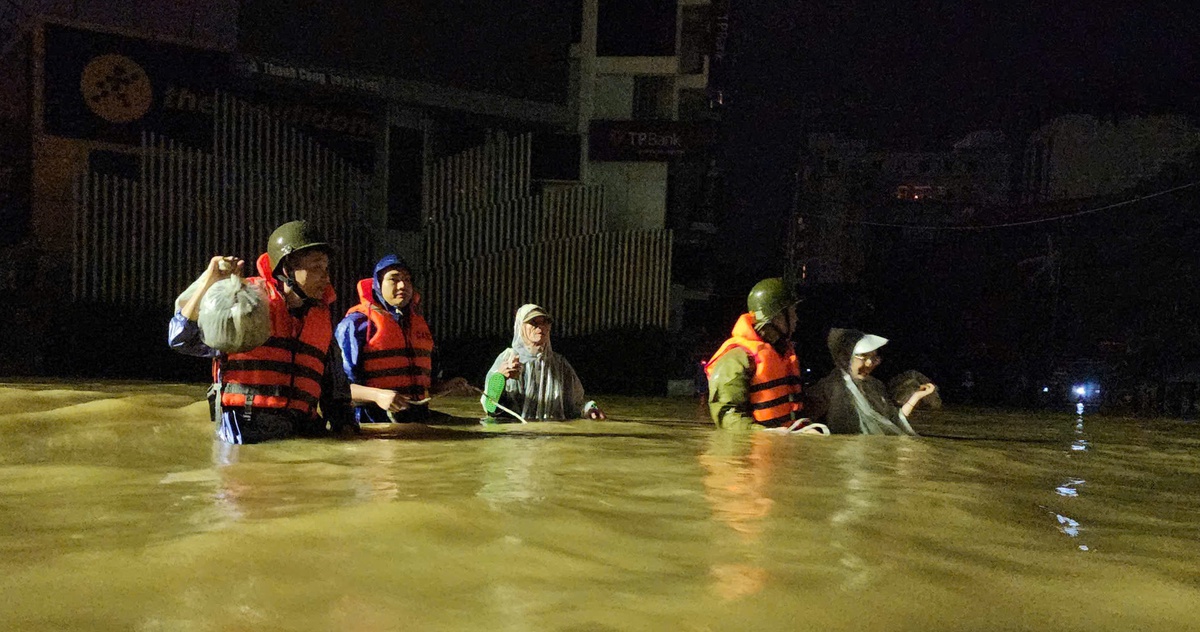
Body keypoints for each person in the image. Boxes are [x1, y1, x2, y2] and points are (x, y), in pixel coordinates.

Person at [168, 220, 354, 444]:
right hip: (246, 431)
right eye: (316, 268)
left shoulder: (321, 320)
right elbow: (181, 339)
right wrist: (210, 280)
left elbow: (336, 397)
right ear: (287, 270)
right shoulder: (247, 306)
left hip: (302, 433)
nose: (326, 278)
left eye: (326, 268)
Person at [335, 254, 466, 424]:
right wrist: (377, 396)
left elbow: (425, 388)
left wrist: (447, 387)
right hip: (372, 421)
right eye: (394, 279)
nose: (403, 285)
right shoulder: (355, 325)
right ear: (378, 284)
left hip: (418, 418)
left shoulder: (419, 326)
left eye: (407, 279)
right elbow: (338, 388)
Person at [705, 278, 810, 432]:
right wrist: (765, 435)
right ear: (777, 317)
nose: (796, 318)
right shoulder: (737, 359)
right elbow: (727, 416)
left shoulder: (783, 352)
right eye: (792, 312)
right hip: (758, 450)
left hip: (786, 443)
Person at [482, 304, 605, 420]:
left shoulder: (560, 365)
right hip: (515, 435)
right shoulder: (507, 359)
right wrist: (500, 377)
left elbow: (576, 405)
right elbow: (490, 408)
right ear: (521, 327)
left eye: (545, 322)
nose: (540, 327)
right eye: (533, 322)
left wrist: (590, 410)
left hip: (550, 434)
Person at [806, 328, 936, 435]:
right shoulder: (829, 387)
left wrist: (916, 396)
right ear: (845, 357)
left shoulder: (874, 386)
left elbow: (895, 421)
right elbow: (805, 420)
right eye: (863, 357)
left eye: (874, 358)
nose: (869, 363)